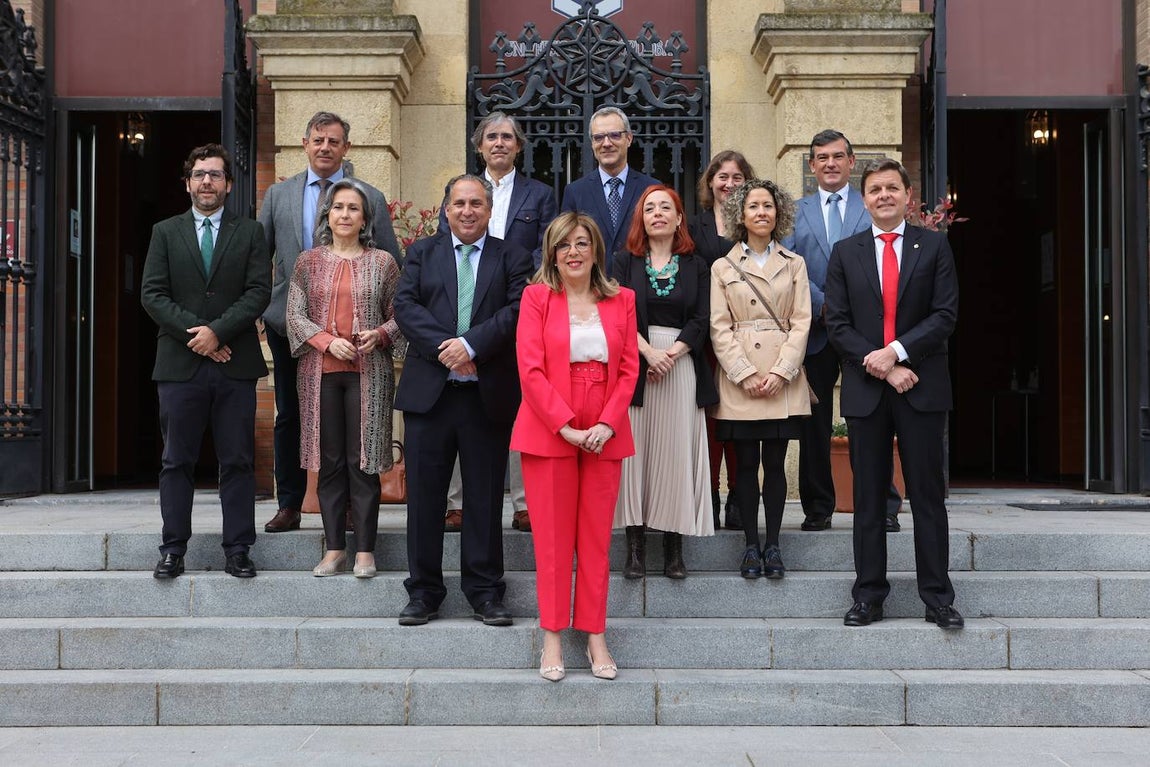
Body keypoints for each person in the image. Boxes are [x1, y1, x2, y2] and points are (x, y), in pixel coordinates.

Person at [825, 158, 963, 630]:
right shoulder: (846, 252)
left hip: (922, 386)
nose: (883, 195)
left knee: (927, 495)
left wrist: (899, 354)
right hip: (869, 390)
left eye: (892, 188)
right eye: (874, 190)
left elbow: (945, 315)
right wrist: (884, 368)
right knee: (868, 498)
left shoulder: (935, 246)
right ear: (863, 200)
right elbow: (837, 323)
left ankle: (937, 597)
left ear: (908, 196)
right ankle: (868, 596)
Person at [393, 174, 534, 627]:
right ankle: (424, 592)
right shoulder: (421, 253)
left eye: (477, 203)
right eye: (459, 203)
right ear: (446, 209)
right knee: (426, 500)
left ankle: (485, 591)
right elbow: (406, 307)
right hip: (429, 396)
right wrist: (448, 347)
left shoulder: (510, 256)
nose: (468, 211)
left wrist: (472, 346)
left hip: (485, 396)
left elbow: (517, 310)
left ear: (490, 210)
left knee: (484, 497)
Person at [512, 211, 639, 681]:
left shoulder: (621, 299)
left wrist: (607, 423)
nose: (573, 252)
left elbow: (628, 368)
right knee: (551, 540)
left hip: (604, 419)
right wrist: (564, 426)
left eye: (582, 243)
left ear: (596, 250)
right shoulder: (536, 298)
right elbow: (530, 368)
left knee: (595, 540)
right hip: (550, 422)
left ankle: (594, 634)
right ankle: (551, 635)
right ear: (552, 252)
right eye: (564, 244)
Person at [260, 111, 400, 535]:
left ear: (346, 148)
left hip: (359, 341)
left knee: (357, 429)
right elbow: (258, 260)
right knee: (289, 416)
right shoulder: (277, 196)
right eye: (317, 140)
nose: (325, 147)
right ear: (304, 143)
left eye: (333, 141)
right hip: (294, 327)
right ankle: (290, 504)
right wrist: (258, 313)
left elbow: (391, 259)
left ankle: (357, 511)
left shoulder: (367, 195)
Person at [140, 143, 271, 579]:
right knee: (176, 460)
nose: (207, 182)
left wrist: (219, 332)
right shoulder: (165, 231)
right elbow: (152, 294)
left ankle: (238, 550)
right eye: (199, 174)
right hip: (180, 366)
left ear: (228, 184)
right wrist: (200, 334)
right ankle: (173, 549)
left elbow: (258, 292)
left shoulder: (250, 232)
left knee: (236, 460)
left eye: (215, 174)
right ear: (187, 183)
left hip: (235, 365)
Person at [439, 111, 558, 534]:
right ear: (479, 145)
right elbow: (444, 251)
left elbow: (548, 254)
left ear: (519, 146)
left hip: (520, 313)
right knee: (457, 406)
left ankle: (523, 503)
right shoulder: (461, 192)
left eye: (508, 136)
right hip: (468, 314)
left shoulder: (540, 194)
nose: (500, 143)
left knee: (521, 407)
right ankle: (455, 503)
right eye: (492, 136)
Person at [783, 130, 903, 533]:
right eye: (821, 157)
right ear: (812, 165)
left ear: (851, 162)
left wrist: (846, 309)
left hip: (862, 334)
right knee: (813, 424)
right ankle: (818, 507)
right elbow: (788, 266)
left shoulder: (871, 204)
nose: (830, 163)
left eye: (838, 156)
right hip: (815, 331)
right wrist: (825, 304)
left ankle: (882, 504)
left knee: (869, 420)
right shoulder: (795, 211)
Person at [285, 179, 403, 578]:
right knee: (329, 463)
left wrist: (380, 334)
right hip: (319, 375)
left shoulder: (384, 262)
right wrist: (325, 342)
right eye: (338, 207)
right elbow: (294, 316)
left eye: (354, 208)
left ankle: (366, 551)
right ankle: (335, 548)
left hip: (368, 375)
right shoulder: (307, 262)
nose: (345, 215)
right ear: (327, 215)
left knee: (364, 461)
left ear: (365, 218)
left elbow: (400, 314)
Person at [710, 179, 812, 580]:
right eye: (753, 206)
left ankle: (774, 544)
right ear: (741, 214)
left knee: (775, 462)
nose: (761, 212)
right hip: (741, 381)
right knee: (745, 465)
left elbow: (802, 321)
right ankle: (750, 546)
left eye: (767, 205)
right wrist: (745, 373)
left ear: (778, 212)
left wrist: (782, 371)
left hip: (781, 378)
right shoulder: (723, 266)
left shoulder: (795, 263)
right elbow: (719, 326)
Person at [612, 185, 716, 580]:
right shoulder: (625, 262)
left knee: (674, 452)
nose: (657, 213)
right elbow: (617, 314)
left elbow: (702, 319)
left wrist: (670, 354)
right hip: (635, 361)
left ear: (678, 218)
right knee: (634, 455)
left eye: (665, 208)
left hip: (680, 362)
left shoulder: (697, 265)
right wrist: (647, 354)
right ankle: (634, 546)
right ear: (641, 218)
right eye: (649, 208)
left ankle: (674, 546)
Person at [690, 150, 756, 532]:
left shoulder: (755, 223)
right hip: (707, 340)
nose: (729, 184)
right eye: (722, 176)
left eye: (736, 177)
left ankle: (738, 497)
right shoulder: (694, 226)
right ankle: (709, 495)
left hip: (747, 338)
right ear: (710, 182)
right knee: (712, 420)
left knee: (741, 422)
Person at [560, 106, 659, 268]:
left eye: (614, 135)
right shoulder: (575, 192)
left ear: (629, 138)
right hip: (592, 285)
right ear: (592, 143)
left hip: (641, 283)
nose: (606, 143)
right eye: (599, 137)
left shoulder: (651, 188)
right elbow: (565, 243)